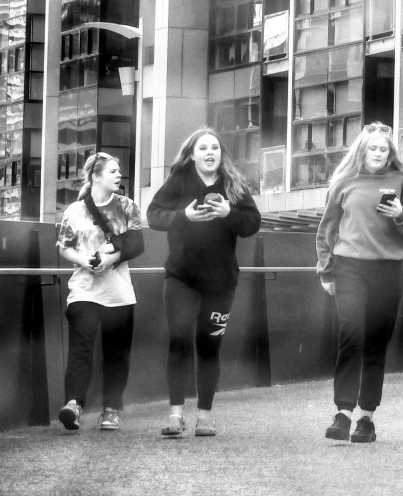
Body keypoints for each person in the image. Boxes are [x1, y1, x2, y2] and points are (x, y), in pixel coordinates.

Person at [312, 121, 403, 443]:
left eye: (383, 148)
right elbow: (326, 230)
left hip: (388, 269)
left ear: (391, 153)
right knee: (351, 333)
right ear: (362, 149)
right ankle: (342, 414)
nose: (377, 153)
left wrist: (401, 213)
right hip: (349, 267)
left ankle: (366, 419)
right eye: (372, 148)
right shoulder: (344, 181)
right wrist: (326, 270)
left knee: (375, 342)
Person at [146, 126, 260, 439]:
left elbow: (252, 223)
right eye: (203, 148)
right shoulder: (179, 181)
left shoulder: (233, 184)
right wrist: (183, 216)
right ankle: (175, 415)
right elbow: (153, 215)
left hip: (221, 283)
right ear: (193, 154)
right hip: (182, 278)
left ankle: (205, 416)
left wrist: (228, 213)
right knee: (179, 341)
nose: (209, 153)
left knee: (209, 346)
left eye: (214, 148)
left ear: (221, 154)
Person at [55, 150, 144, 431]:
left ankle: (110, 409)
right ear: (96, 176)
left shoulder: (127, 207)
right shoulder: (74, 210)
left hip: (119, 293)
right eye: (113, 172)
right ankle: (73, 405)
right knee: (80, 349)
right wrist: (85, 261)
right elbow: (64, 247)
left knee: (116, 354)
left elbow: (138, 245)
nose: (119, 176)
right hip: (84, 290)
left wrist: (110, 259)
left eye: (119, 172)